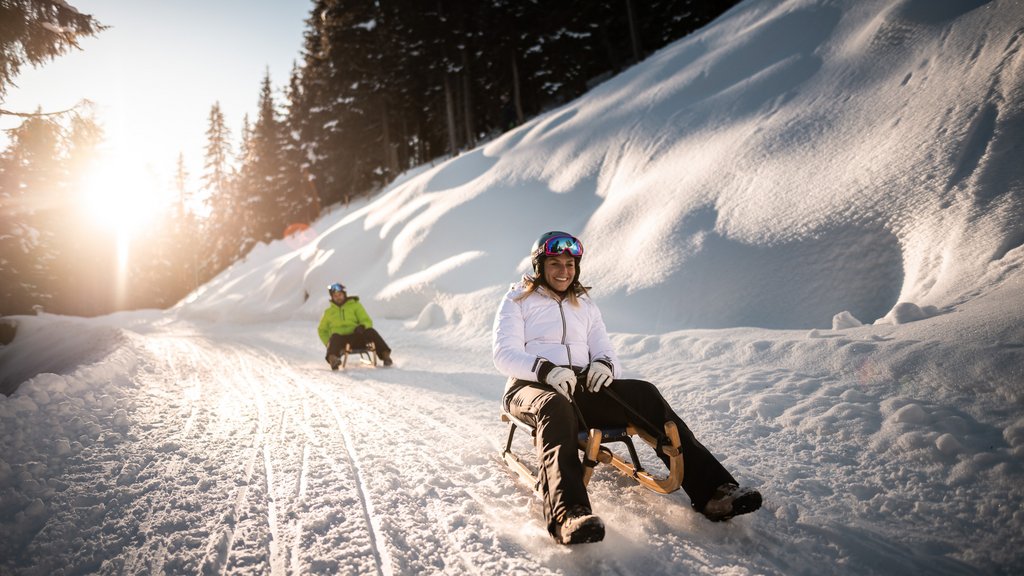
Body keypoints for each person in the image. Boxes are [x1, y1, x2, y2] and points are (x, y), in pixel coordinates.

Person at [492, 231, 761, 545]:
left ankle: (714, 492)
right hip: (529, 387)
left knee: (644, 393)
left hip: (578, 388)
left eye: (570, 263)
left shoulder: (586, 305)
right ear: (540, 265)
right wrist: (545, 370)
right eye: (555, 263)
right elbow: (504, 354)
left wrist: (603, 366)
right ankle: (568, 514)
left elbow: (606, 350)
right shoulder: (517, 299)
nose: (564, 271)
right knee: (554, 406)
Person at [318, 282, 393, 369]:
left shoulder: (355, 306)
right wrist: (328, 343)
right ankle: (333, 359)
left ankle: (385, 355)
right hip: (340, 341)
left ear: (344, 294)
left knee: (370, 331)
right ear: (332, 297)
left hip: (356, 336)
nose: (338, 297)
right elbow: (321, 330)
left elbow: (367, 320)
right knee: (334, 337)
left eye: (340, 294)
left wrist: (362, 326)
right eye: (335, 296)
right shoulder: (328, 312)